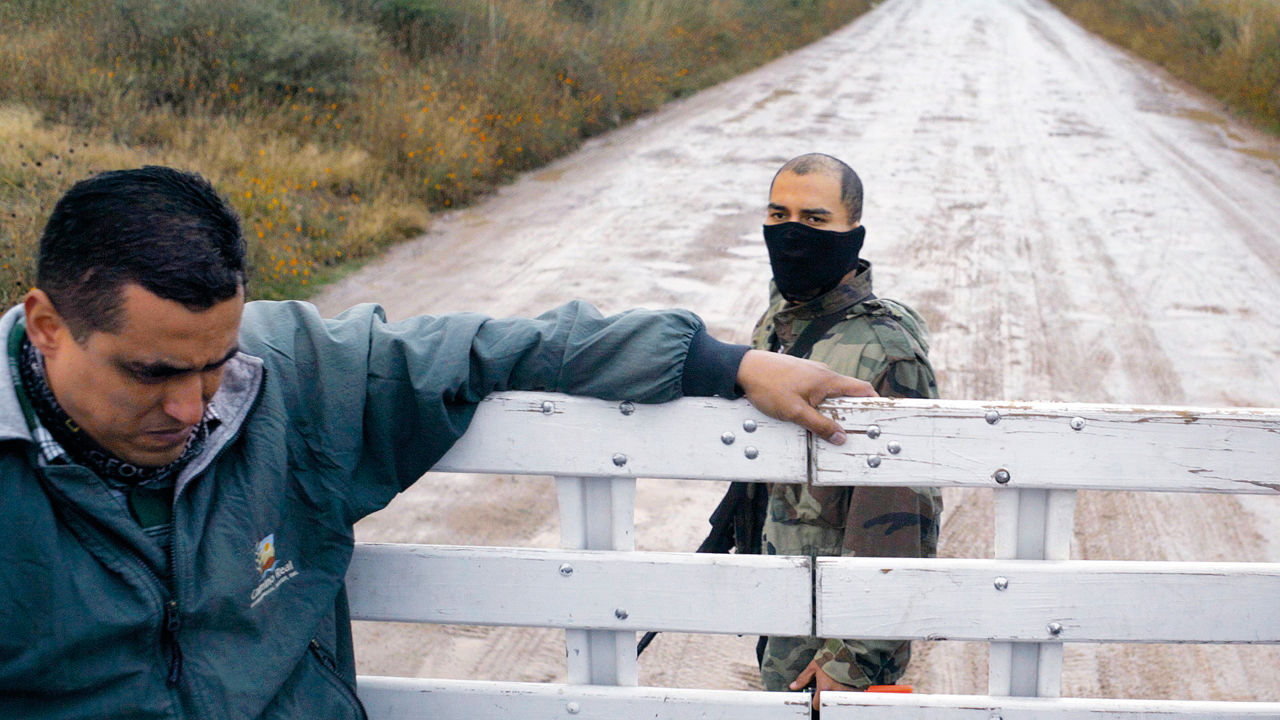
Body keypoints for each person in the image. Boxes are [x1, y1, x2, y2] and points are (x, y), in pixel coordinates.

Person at [0, 166, 874, 719]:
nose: (193, 407)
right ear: (46, 324)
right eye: (151, 373)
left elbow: (488, 347)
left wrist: (724, 364)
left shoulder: (286, 376)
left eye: (215, 364)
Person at [752, 153, 942, 708]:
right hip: (784, 606)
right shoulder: (781, 318)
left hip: (836, 638)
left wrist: (852, 658)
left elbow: (905, 517)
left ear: (852, 234)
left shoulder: (885, 351)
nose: (792, 233)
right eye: (778, 214)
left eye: (814, 220)